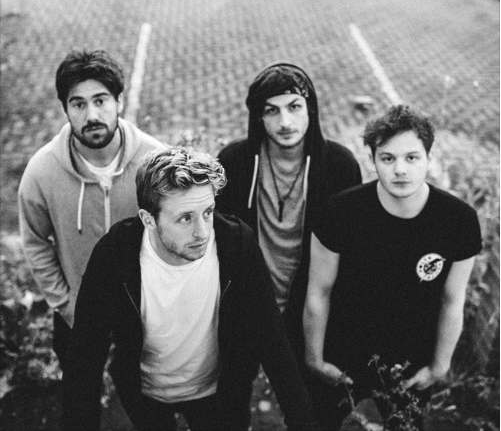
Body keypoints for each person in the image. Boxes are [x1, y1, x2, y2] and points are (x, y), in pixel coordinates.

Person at [62, 147, 317, 431]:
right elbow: (86, 352)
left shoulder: (236, 246)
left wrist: (303, 422)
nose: (203, 232)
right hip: (145, 394)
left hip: (221, 393)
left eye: (207, 212)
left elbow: (272, 338)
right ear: (148, 220)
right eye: (185, 218)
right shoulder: (116, 255)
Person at [303, 105, 483, 430]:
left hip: (410, 363)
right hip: (342, 354)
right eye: (387, 158)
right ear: (372, 160)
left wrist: (439, 366)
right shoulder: (339, 213)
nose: (400, 170)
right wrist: (315, 359)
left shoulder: (458, 221)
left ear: (429, 158)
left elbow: (452, 300)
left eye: (411, 158)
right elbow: (319, 290)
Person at [18, 49, 164, 370]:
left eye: (100, 100)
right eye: (79, 104)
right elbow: (35, 242)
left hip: (143, 313)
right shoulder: (42, 172)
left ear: (119, 102)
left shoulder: (155, 162)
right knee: (79, 396)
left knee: (141, 395)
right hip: (78, 314)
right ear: (65, 109)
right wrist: (65, 304)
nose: (92, 115)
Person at [217, 61, 362, 359]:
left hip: (308, 308)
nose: (285, 122)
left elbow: (351, 251)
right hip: (249, 306)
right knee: (233, 384)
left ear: (310, 109)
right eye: (272, 110)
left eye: (294, 107)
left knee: (302, 386)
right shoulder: (234, 162)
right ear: (258, 116)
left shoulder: (339, 167)